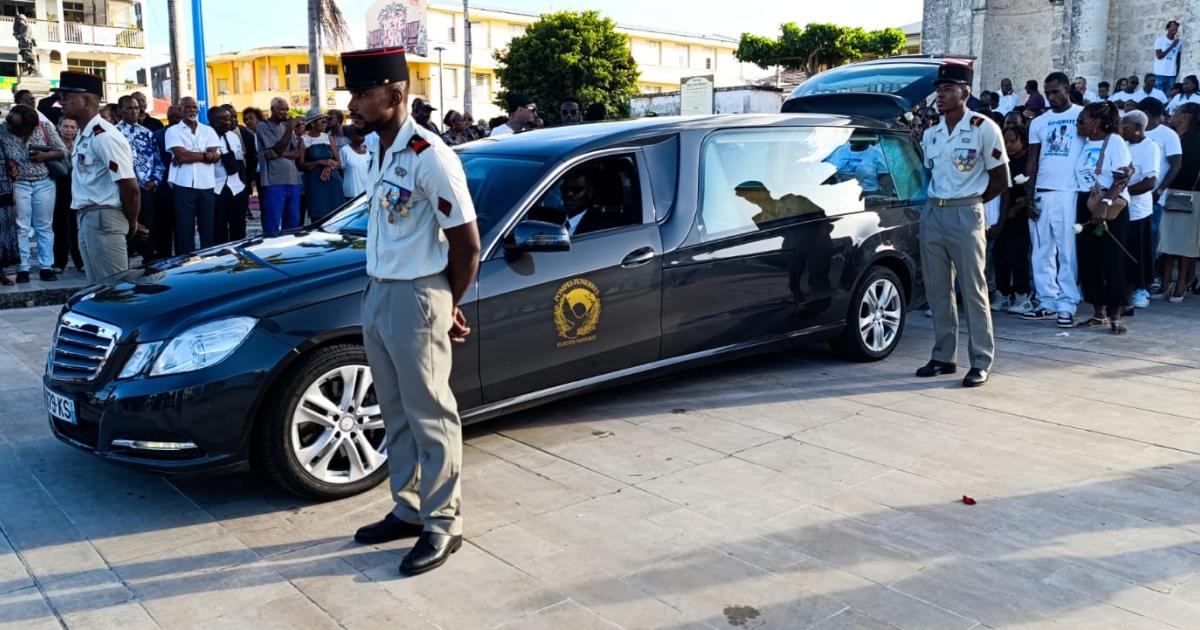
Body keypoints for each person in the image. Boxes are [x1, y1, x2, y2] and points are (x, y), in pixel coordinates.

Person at [341, 47, 481, 576]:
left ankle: (444, 523)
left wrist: (446, 302)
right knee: (394, 409)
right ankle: (410, 506)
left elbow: (467, 245)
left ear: (395, 95)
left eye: (361, 94)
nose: (352, 104)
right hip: (379, 293)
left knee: (430, 413)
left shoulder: (429, 154)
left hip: (416, 295)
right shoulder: (381, 148)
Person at [916, 61, 1008, 388]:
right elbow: (931, 173)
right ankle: (943, 355)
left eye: (947, 90)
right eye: (938, 90)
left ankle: (980, 359)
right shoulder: (931, 133)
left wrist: (973, 205)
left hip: (966, 212)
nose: (940, 96)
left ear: (964, 92)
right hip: (934, 212)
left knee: (973, 291)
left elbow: (1000, 179)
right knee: (937, 289)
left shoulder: (984, 127)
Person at [57, 71, 140, 284]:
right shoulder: (85, 134)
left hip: (104, 216)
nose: (61, 101)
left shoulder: (104, 136)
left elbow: (130, 187)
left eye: (66, 96)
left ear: (86, 99)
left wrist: (132, 223)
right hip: (88, 216)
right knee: (97, 289)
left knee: (114, 290)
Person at [1024, 72, 1085, 328]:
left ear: (1067, 89)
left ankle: (1067, 302)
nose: (1051, 98)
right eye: (1047, 93)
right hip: (1042, 192)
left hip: (1069, 193)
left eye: (1056, 92)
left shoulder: (1083, 115)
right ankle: (1047, 300)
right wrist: (1029, 196)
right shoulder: (1039, 122)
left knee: (1067, 250)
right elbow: (1032, 160)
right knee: (1041, 250)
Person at [1073, 102, 1133, 334]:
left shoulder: (1115, 142)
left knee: (1112, 259)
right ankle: (1098, 314)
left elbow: (1122, 177)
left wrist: (1105, 204)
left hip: (1109, 206)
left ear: (1095, 122)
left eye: (1082, 120)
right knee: (1089, 259)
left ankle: (1116, 314)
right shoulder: (1086, 143)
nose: (1079, 125)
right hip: (1086, 202)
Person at [0, 103, 67, 283]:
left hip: (43, 181)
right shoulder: (3, 130)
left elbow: (62, 151)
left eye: (19, 127)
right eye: (12, 125)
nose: (14, 129)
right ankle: (23, 267)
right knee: (21, 226)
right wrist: (8, 162)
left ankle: (46, 265)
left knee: (43, 225)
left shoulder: (43, 127)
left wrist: (45, 156)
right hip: (19, 182)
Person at [1156, 102, 1200, 302]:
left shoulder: (1197, 139)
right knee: (1169, 239)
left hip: (1189, 192)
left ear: (1187, 116)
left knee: (1186, 242)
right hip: (1170, 192)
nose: (1172, 115)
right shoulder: (1173, 137)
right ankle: (1166, 282)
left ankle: (1182, 283)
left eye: (1177, 112)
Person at [165, 96, 220, 254]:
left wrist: (191, 156)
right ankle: (185, 263)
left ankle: (209, 261)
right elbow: (181, 155)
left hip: (206, 184)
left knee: (207, 227)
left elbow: (216, 156)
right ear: (180, 110)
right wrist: (206, 156)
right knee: (184, 228)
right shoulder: (173, 131)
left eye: (194, 107)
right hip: (183, 185)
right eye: (188, 107)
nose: (192, 110)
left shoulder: (208, 130)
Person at [1120, 110, 1161, 311]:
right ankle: (1122, 294)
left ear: (1137, 129)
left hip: (1138, 211)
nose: (1121, 130)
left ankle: (1138, 291)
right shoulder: (1124, 145)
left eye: (1125, 127)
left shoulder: (1150, 148)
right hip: (1121, 208)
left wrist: (1121, 190)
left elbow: (1150, 182)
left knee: (1137, 254)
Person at [992, 124, 1034, 315]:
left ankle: (1022, 294)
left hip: (1019, 214)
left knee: (1018, 254)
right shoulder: (1003, 160)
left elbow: (1031, 191)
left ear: (1022, 141)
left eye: (1012, 141)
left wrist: (1017, 207)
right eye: (1005, 142)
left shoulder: (1028, 161)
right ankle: (1003, 292)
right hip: (1002, 213)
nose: (1008, 146)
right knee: (1000, 254)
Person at [116, 95, 163, 261]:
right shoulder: (114, 133)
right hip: (122, 187)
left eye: (136, 108)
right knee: (125, 222)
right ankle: (125, 254)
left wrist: (155, 180)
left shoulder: (147, 134)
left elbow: (158, 160)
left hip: (145, 187)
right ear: (120, 110)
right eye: (129, 108)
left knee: (148, 222)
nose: (133, 111)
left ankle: (148, 255)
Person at [1138, 98, 1183, 270]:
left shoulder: (1168, 134)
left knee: (1150, 238)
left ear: (1147, 114)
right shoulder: (1135, 131)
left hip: (1154, 197)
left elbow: (1176, 164)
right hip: (1135, 194)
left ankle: (1149, 278)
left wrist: (1159, 191)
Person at [256, 97, 303, 235]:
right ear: (273, 110)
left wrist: (278, 153)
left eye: (287, 109)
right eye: (282, 109)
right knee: (272, 222)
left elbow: (296, 153)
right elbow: (276, 150)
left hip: (293, 181)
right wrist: (289, 129)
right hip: (273, 182)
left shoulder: (285, 127)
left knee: (293, 222)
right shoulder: (263, 126)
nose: (286, 112)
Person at [207, 107, 248, 244]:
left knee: (239, 227)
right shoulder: (205, 136)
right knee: (218, 228)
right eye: (225, 119)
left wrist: (244, 184)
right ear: (214, 121)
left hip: (236, 187)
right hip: (216, 188)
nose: (229, 122)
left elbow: (240, 160)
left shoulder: (233, 136)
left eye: (229, 119)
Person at [297, 111, 343, 222]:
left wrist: (329, 166)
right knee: (318, 217)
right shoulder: (304, 140)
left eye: (325, 120)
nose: (325, 122)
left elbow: (339, 162)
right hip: (315, 184)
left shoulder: (328, 138)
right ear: (312, 123)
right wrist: (319, 162)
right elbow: (300, 165)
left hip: (333, 183)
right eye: (321, 120)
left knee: (336, 215)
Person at [51, 116, 82, 274]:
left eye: (72, 127)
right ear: (58, 127)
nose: (69, 130)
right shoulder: (53, 146)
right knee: (59, 225)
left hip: (78, 189)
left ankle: (80, 261)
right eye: (66, 126)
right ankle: (59, 262)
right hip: (59, 188)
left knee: (78, 226)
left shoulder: (81, 144)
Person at [151, 105, 181, 260]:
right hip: (163, 188)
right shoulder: (157, 136)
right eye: (174, 117)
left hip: (183, 188)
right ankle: (166, 258)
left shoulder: (188, 134)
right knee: (164, 228)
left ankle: (181, 257)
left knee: (182, 228)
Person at [340, 127, 371, 201]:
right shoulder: (345, 150)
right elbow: (340, 170)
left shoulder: (367, 150)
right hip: (352, 193)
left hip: (367, 192)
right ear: (351, 136)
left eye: (363, 134)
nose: (362, 136)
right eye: (359, 134)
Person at [1154, 20, 1183, 95]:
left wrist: (1176, 72)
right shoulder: (1160, 40)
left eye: (1176, 30)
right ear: (1167, 29)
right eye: (1172, 29)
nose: (1174, 31)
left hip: (1171, 75)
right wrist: (1171, 46)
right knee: (1158, 96)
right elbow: (1159, 56)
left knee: (1168, 96)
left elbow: (1178, 59)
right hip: (1159, 73)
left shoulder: (1179, 43)